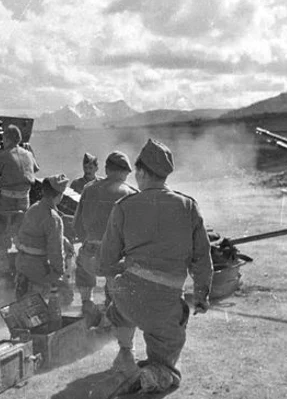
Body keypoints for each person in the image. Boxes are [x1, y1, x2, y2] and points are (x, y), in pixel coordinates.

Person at [98, 139, 213, 394]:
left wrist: (117, 278)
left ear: (140, 172)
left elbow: (104, 261)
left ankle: (125, 353)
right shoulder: (188, 206)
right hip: (164, 304)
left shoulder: (124, 207)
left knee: (117, 297)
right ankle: (152, 373)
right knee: (167, 364)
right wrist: (203, 294)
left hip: (127, 298)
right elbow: (202, 258)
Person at [73, 151, 137, 323]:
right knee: (118, 282)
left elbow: (77, 224)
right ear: (124, 172)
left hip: (89, 255)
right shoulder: (130, 193)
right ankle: (115, 314)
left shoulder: (88, 188)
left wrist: (89, 241)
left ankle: (87, 304)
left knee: (84, 274)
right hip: (113, 259)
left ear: (107, 170)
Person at [0, 124, 39, 274]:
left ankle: (2, 261)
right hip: (25, 201)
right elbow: (35, 169)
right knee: (18, 226)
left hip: (6, 201)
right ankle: (24, 260)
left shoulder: (1, 156)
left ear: (6, 139)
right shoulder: (28, 154)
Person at [14, 174, 69, 300]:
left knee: (22, 300)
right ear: (59, 195)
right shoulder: (53, 218)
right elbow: (55, 250)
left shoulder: (33, 208)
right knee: (36, 305)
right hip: (37, 267)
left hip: (22, 261)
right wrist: (58, 273)